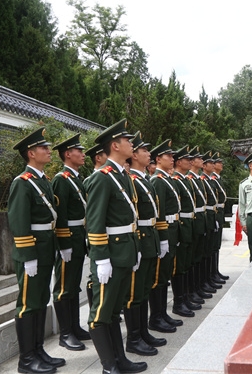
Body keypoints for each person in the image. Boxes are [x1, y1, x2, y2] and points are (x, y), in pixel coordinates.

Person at [85, 119, 147, 374]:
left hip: (125, 251)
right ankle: (109, 366)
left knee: (113, 312)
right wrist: (101, 258)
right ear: (115, 145)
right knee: (100, 313)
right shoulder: (102, 178)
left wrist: (136, 247)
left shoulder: (123, 176)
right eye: (127, 141)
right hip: (110, 254)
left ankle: (120, 360)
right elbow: (95, 222)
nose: (132, 144)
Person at [8, 127, 65, 374]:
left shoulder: (43, 180)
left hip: (45, 248)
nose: (48, 151)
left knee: (41, 300)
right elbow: (19, 222)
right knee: (28, 304)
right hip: (31, 252)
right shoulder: (22, 183)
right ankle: (26, 359)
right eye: (43, 148)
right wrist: (28, 256)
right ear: (31, 153)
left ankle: (38, 350)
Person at [123, 131, 167, 355]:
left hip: (150, 237)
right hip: (140, 238)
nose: (148, 154)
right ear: (134, 156)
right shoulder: (131, 180)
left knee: (143, 289)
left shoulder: (144, 180)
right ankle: (133, 338)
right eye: (144, 151)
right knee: (134, 292)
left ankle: (142, 332)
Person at [50, 134, 90, 352]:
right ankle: (65, 334)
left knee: (74, 285)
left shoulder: (75, 179)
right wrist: (63, 243)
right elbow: (60, 214)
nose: (83, 155)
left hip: (78, 236)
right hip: (69, 239)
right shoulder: (61, 180)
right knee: (64, 288)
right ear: (67, 154)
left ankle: (75, 327)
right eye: (79, 151)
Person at [148, 139, 183, 333]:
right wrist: (162, 237)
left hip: (172, 228)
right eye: (168, 156)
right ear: (158, 159)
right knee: (159, 276)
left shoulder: (167, 179)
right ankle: (156, 316)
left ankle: (162, 314)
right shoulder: (157, 181)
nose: (172, 159)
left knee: (165, 273)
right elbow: (159, 211)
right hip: (165, 229)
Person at [171, 146, 201, 316]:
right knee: (180, 266)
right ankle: (179, 301)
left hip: (189, 224)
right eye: (186, 159)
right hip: (181, 225)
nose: (190, 162)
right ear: (179, 162)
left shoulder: (184, 180)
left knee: (187, 263)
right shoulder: (175, 180)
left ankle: (187, 296)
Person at [83, 142, 107, 309]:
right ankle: (95, 309)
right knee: (95, 276)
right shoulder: (92, 180)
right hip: (94, 233)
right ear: (98, 158)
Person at [187, 146, 212, 301]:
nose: (202, 161)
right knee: (192, 259)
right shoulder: (189, 179)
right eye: (199, 159)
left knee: (201, 255)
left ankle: (199, 285)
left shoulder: (197, 180)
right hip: (192, 221)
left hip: (202, 218)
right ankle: (191, 291)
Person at [199, 152, 222, 292]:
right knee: (204, 251)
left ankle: (212, 274)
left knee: (213, 247)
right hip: (206, 216)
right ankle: (204, 280)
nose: (214, 165)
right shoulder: (202, 180)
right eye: (211, 163)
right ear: (204, 166)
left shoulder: (211, 180)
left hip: (214, 214)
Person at [210, 152, 229, 282]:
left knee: (216, 245)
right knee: (212, 246)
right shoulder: (212, 180)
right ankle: (212, 273)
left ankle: (215, 271)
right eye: (218, 163)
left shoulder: (218, 179)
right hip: (215, 213)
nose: (220, 165)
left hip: (219, 212)